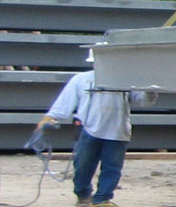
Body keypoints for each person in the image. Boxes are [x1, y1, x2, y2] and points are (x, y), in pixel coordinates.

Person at [37, 50, 156, 207]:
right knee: (83, 165)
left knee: (112, 168)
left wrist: (149, 92)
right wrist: (51, 117)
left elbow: (141, 101)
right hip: (89, 128)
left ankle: (102, 199)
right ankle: (83, 194)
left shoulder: (125, 81)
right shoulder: (82, 80)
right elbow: (65, 102)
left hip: (117, 130)